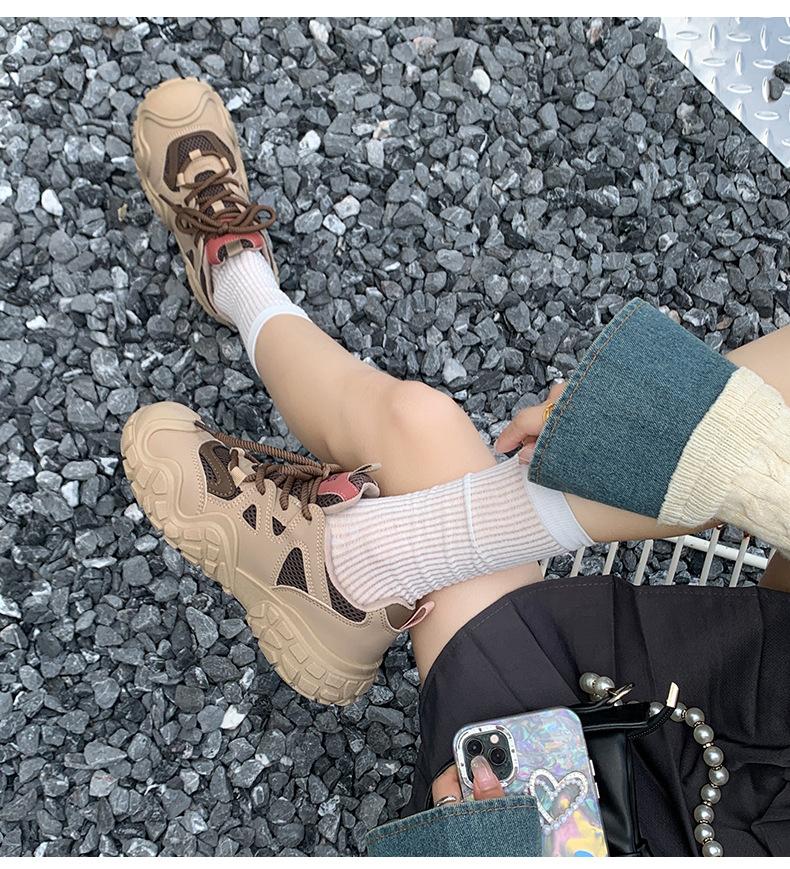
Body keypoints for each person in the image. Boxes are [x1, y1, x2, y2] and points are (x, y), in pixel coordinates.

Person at [122, 78, 790, 856]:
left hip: (613, 834)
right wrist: (648, 433)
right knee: (421, 423)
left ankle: (351, 555)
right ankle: (238, 280)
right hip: (735, 683)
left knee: (421, 433)